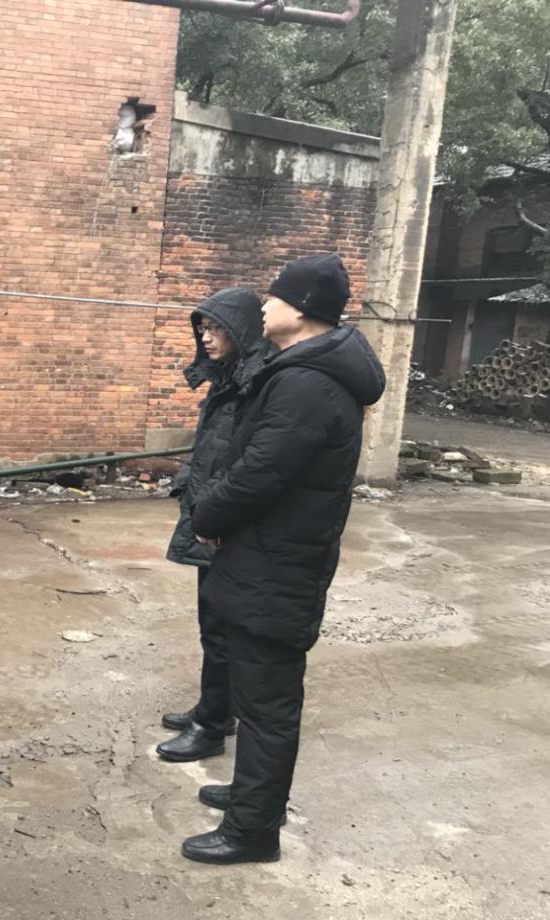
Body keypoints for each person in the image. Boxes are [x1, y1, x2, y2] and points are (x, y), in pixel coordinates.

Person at [182, 253, 386, 864]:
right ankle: (253, 795)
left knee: (268, 705)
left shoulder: (307, 384)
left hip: (278, 566)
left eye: (273, 297)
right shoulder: (303, 372)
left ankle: (253, 831)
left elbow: (258, 474)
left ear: (301, 310)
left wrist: (206, 517)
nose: (264, 306)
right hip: (268, 558)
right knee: (255, 696)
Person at [158, 288, 269, 763]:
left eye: (216, 328)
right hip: (209, 516)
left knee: (223, 627)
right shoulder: (225, 381)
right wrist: (187, 483)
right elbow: (209, 447)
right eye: (202, 328)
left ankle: (212, 725)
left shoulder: (254, 384)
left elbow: (246, 464)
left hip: (227, 525)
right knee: (212, 623)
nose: (206, 337)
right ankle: (215, 707)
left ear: (241, 331)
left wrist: (215, 513)